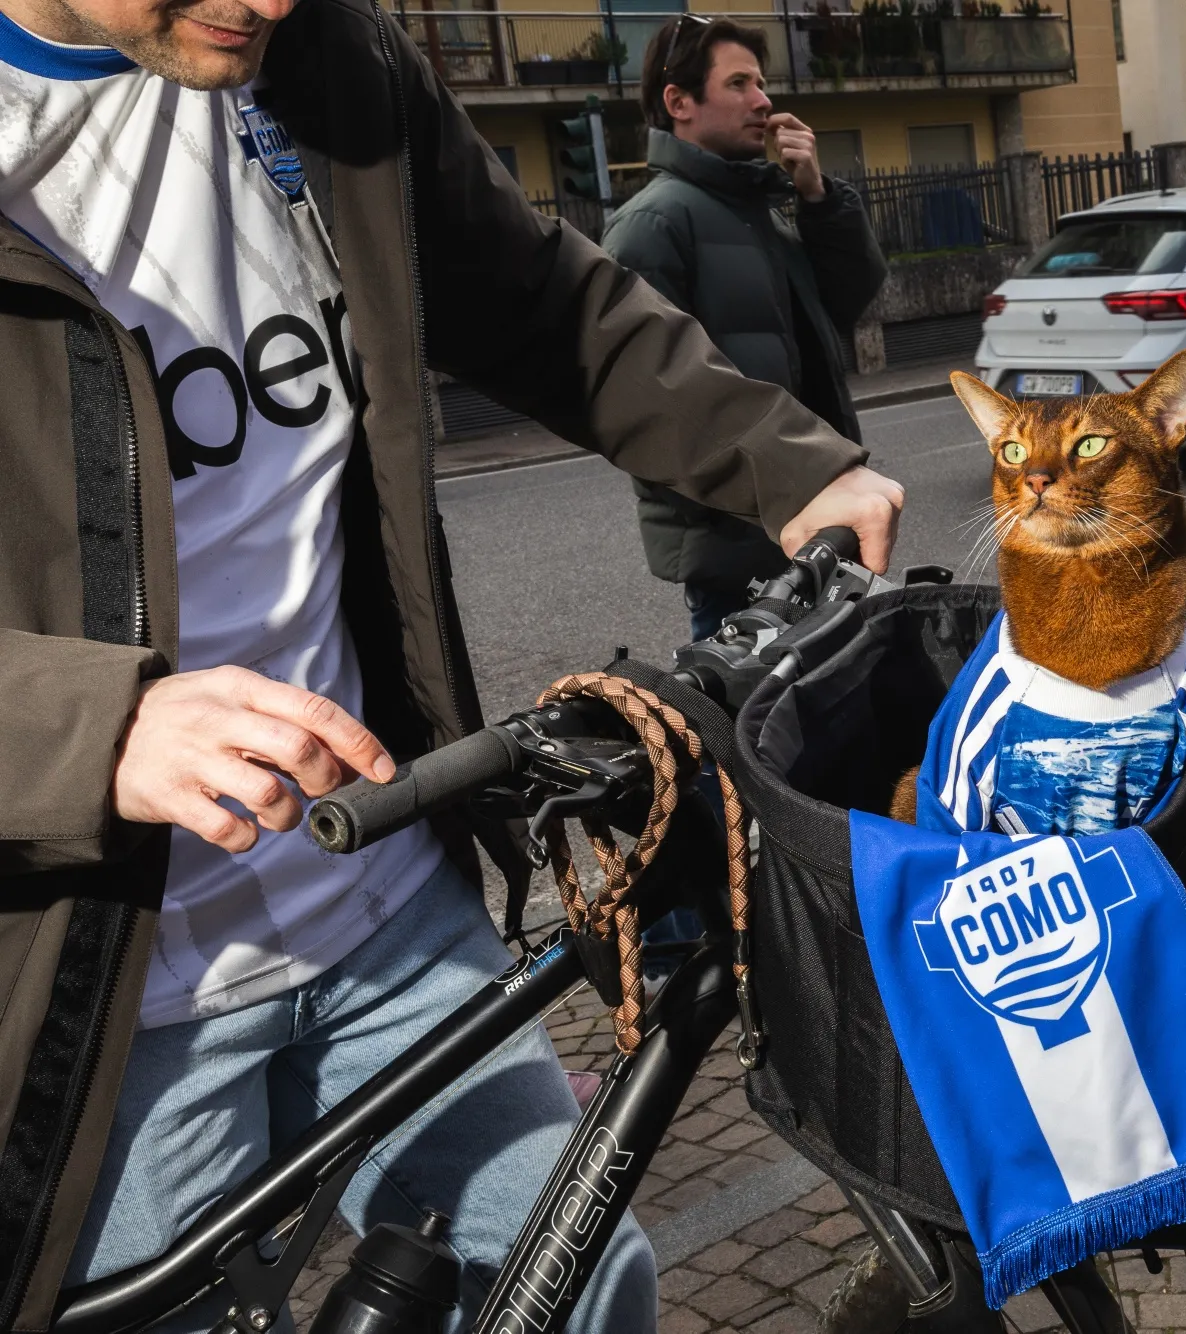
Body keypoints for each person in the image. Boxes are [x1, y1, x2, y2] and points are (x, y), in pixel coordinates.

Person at [0, 0, 904, 1327]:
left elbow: (541, 299)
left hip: (380, 893)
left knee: (581, 1289)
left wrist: (785, 462)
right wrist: (90, 726)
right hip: (103, 977)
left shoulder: (329, 69)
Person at [604, 15, 887, 640]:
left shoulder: (762, 209)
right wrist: (744, 517)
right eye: (739, 84)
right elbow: (646, 404)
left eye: (761, 83)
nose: (763, 101)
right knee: (752, 723)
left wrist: (816, 197)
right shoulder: (652, 225)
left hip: (812, 526)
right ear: (679, 102)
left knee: (827, 716)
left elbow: (847, 301)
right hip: (744, 551)